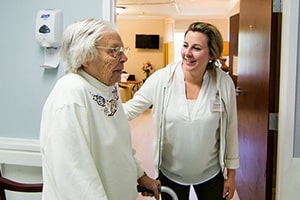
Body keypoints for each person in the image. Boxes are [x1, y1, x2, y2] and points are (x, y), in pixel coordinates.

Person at [40, 18, 160, 200]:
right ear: (84, 57)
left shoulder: (108, 87)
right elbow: (75, 177)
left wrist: (140, 175)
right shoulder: (70, 94)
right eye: (114, 51)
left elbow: (121, 145)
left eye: (122, 50)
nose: (124, 57)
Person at [123, 22, 239, 200]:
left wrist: (231, 176)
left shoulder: (223, 83)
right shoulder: (162, 79)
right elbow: (129, 110)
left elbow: (231, 130)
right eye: (185, 45)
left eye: (196, 48)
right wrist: (97, 113)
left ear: (211, 54)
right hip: (171, 174)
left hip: (210, 174)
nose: (188, 53)